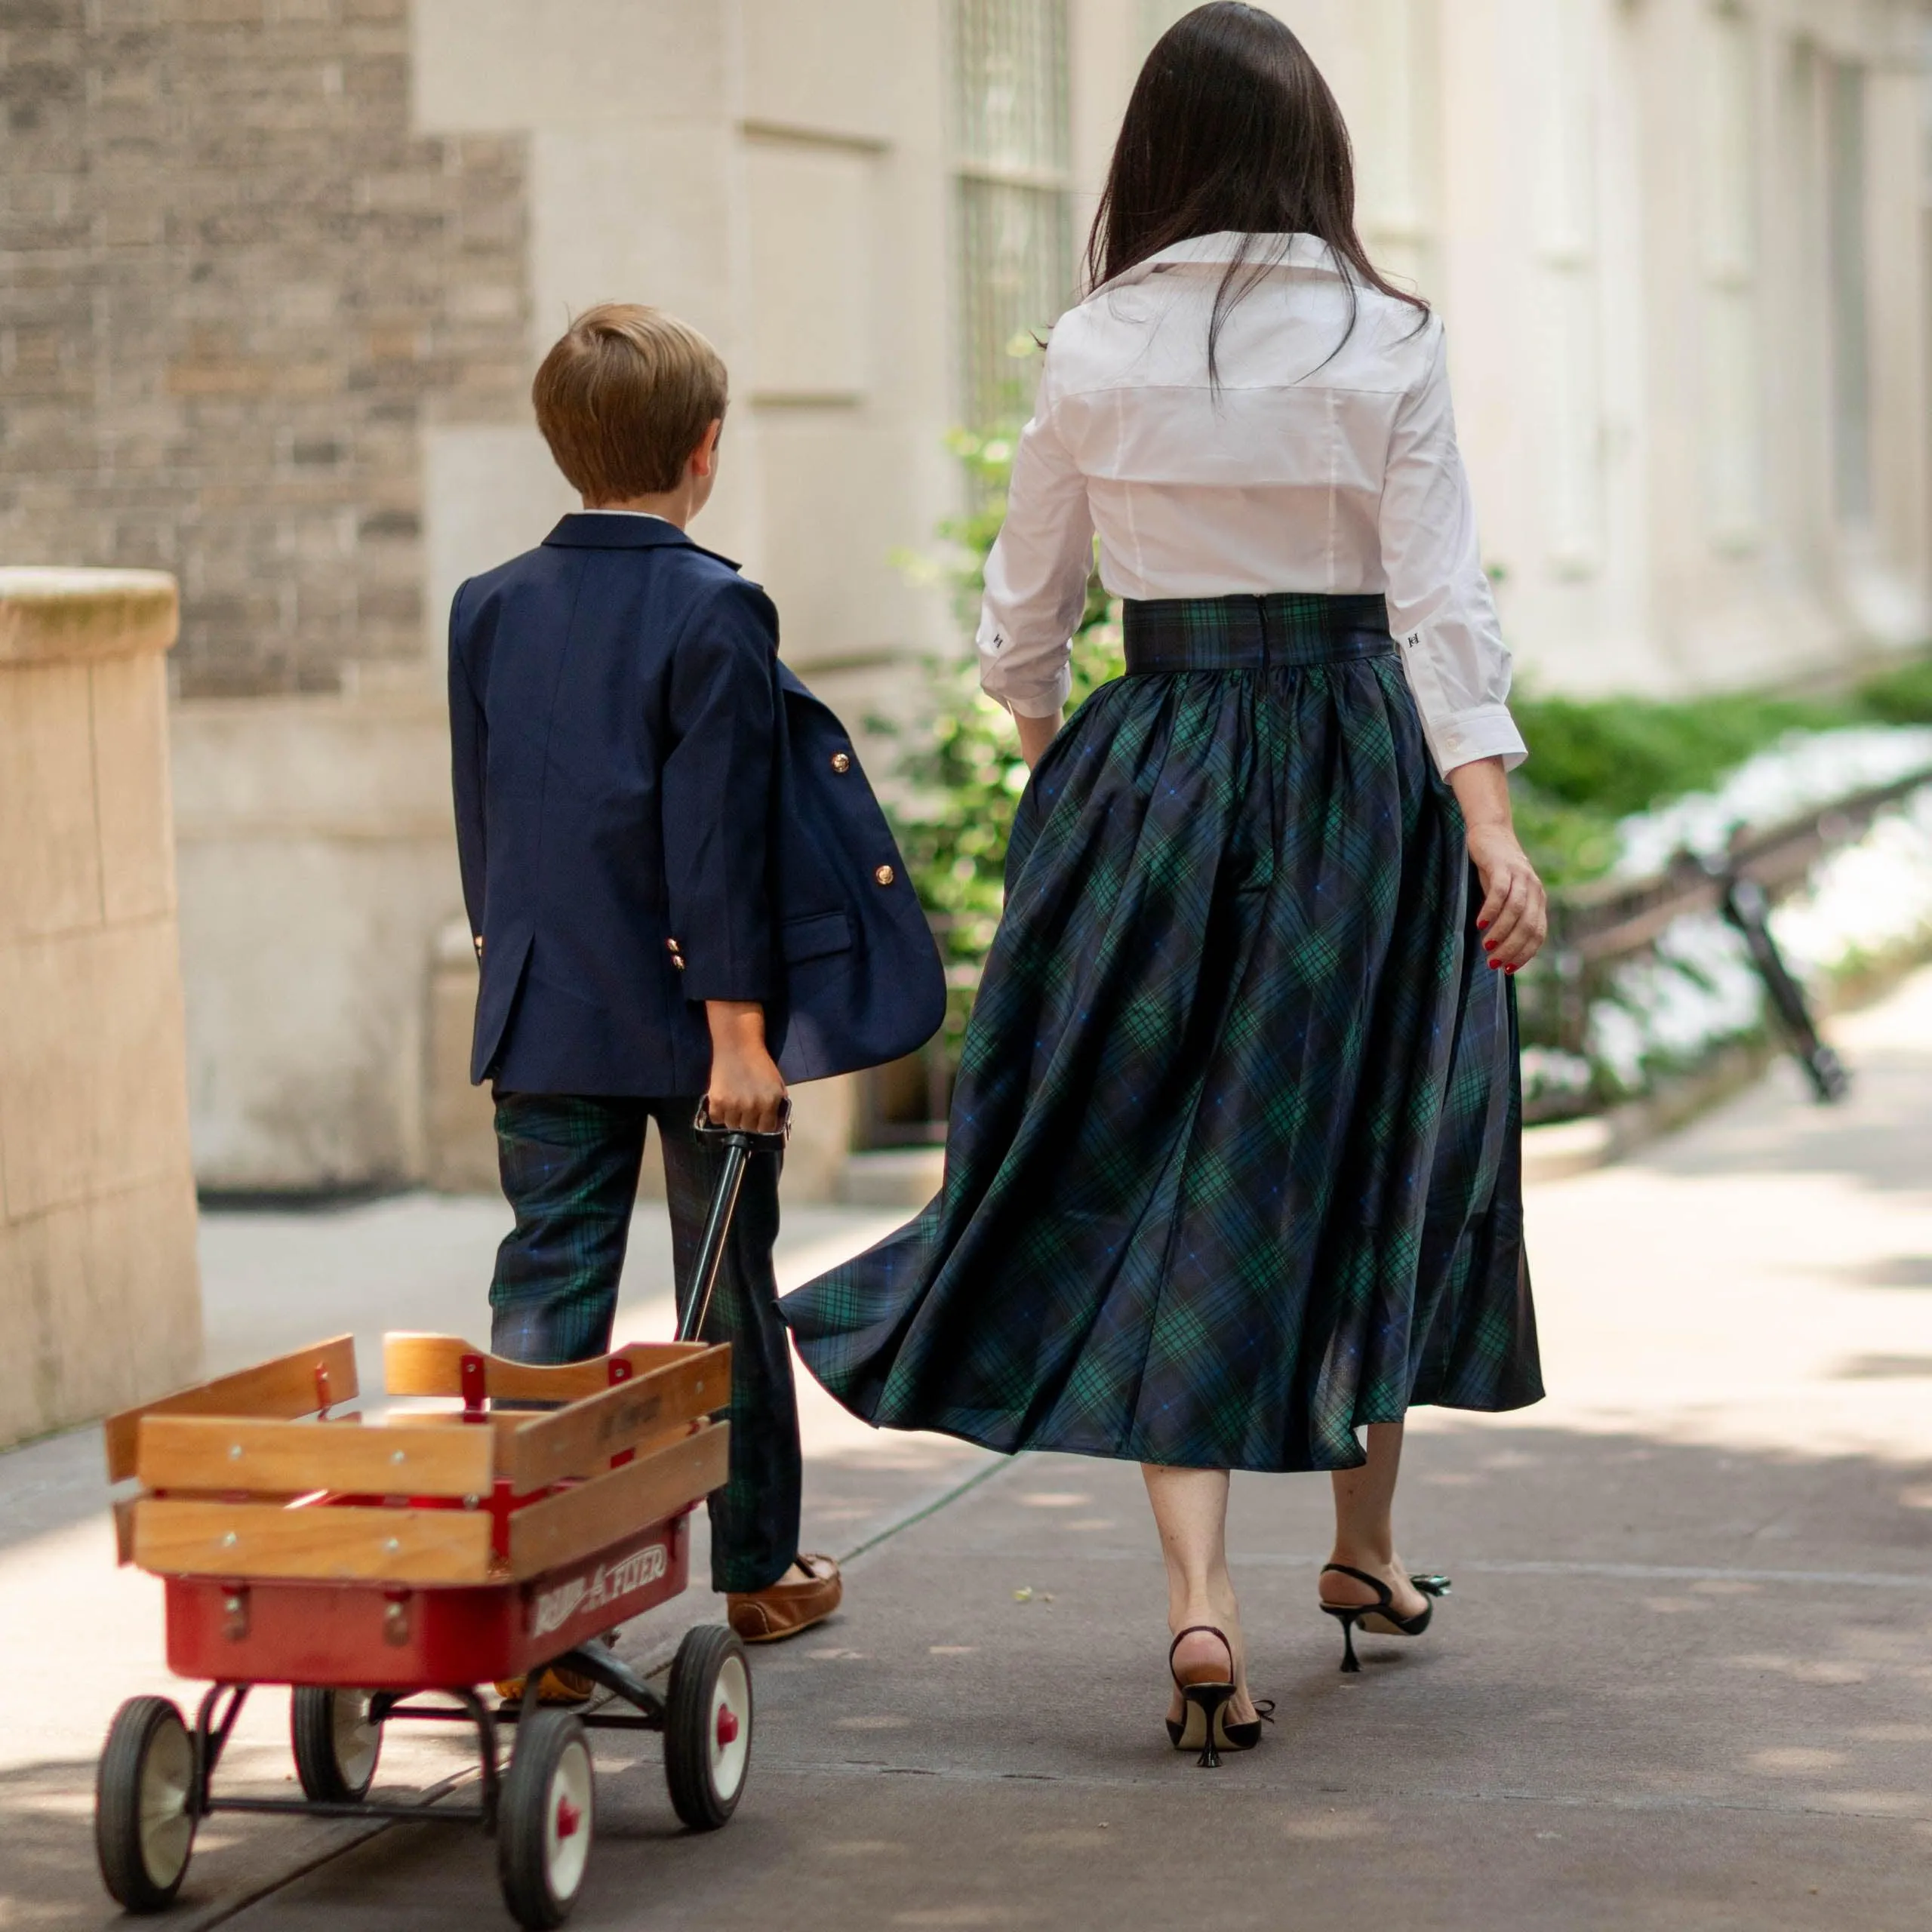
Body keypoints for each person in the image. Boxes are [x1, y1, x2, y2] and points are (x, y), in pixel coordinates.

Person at [781, 3, 1547, 1761]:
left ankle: (1198, 1602)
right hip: (1362, 770)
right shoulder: (1387, 332)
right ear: (1311, 152)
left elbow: (1020, 607)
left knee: (1155, 1161)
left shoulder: (1090, 341)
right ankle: (1360, 1551)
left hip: (1157, 759)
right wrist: (1486, 823)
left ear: (1151, 153)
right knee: (1380, 1140)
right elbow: (1438, 604)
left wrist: (1061, 753)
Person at [448, 303, 938, 1653]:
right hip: (691, 1018)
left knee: (546, 1287)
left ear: (561, 446)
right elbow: (715, 831)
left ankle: (531, 1594)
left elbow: (483, 826)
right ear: (705, 450)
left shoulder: (485, 606)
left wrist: (510, 971)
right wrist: (740, 1037)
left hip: (542, 1002)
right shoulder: (714, 602)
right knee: (722, 1290)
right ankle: (759, 1568)